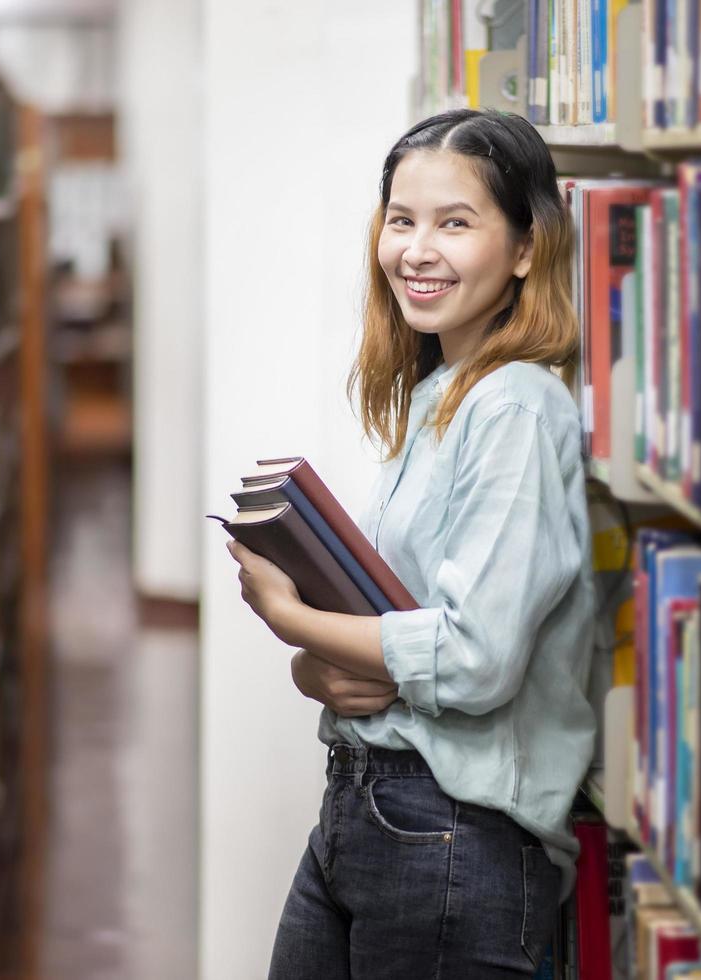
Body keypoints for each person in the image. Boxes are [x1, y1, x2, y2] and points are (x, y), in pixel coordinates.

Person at [225, 108, 598, 978]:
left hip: (452, 834)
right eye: (402, 220)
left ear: (525, 248)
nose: (416, 250)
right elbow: (406, 621)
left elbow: (474, 658)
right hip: (368, 809)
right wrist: (316, 670)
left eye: (454, 223)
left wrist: (292, 620)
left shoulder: (516, 407)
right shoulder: (443, 395)